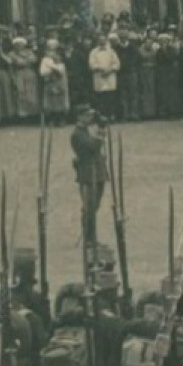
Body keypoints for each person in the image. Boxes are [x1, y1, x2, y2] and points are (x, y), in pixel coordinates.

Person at [70, 108, 110, 262]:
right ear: (80, 116)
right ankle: (89, 239)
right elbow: (93, 147)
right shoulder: (77, 134)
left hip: (97, 172)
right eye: (87, 115)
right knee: (89, 207)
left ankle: (91, 237)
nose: (90, 118)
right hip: (87, 174)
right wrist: (100, 131)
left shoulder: (85, 131)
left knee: (94, 206)